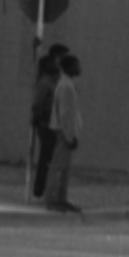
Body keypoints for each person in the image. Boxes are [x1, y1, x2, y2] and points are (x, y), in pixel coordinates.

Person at [27, 41, 69, 200]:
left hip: (53, 123)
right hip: (46, 124)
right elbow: (38, 102)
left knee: (50, 158)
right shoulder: (46, 80)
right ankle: (40, 189)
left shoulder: (56, 77)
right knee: (47, 157)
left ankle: (44, 189)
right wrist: (37, 118)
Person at [43, 50, 84, 213]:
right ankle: (52, 199)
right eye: (76, 65)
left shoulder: (66, 83)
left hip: (66, 132)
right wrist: (69, 136)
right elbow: (66, 114)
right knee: (58, 166)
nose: (80, 67)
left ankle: (61, 198)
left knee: (64, 168)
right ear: (70, 67)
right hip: (64, 133)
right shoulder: (66, 86)